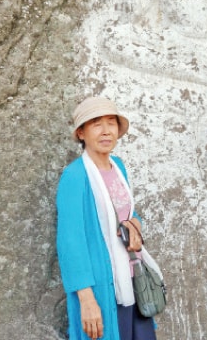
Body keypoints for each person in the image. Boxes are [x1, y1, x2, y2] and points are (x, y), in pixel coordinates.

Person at [56, 97, 158, 340]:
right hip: (102, 288)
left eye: (111, 123)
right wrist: (87, 300)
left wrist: (136, 226)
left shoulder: (118, 167)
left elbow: (127, 213)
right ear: (81, 133)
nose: (105, 131)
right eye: (96, 124)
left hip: (134, 281)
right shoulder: (75, 177)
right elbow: (70, 242)